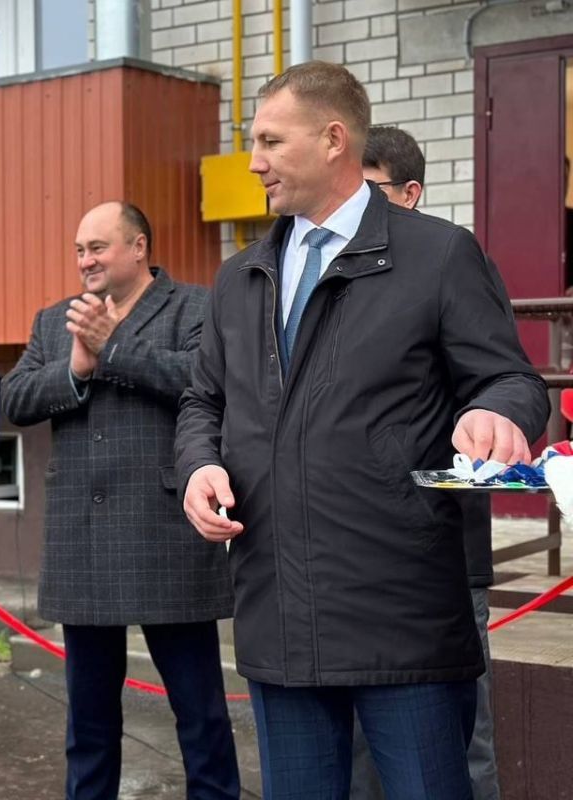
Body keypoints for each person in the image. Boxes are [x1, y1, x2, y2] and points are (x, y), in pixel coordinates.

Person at [175, 62, 549, 799]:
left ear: (333, 139)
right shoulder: (240, 278)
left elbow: (511, 379)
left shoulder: (438, 254)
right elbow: (202, 403)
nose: (253, 162)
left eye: (270, 142)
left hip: (401, 618)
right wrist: (196, 467)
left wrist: (493, 412)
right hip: (277, 612)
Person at [0, 201, 240, 800]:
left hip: (166, 533)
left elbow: (205, 382)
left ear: (139, 247)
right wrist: (77, 368)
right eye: (80, 249)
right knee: (88, 721)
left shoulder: (196, 307)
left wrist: (116, 349)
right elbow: (16, 399)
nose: (85, 260)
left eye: (98, 248)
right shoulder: (56, 319)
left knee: (201, 714)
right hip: (84, 538)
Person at [353, 125, 503, 800]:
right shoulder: (331, 280)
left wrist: (491, 416)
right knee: (360, 747)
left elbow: (500, 381)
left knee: (458, 742)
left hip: (440, 550)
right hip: (351, 557)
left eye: (372, 189)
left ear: (410, 195)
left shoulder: (449, 263)